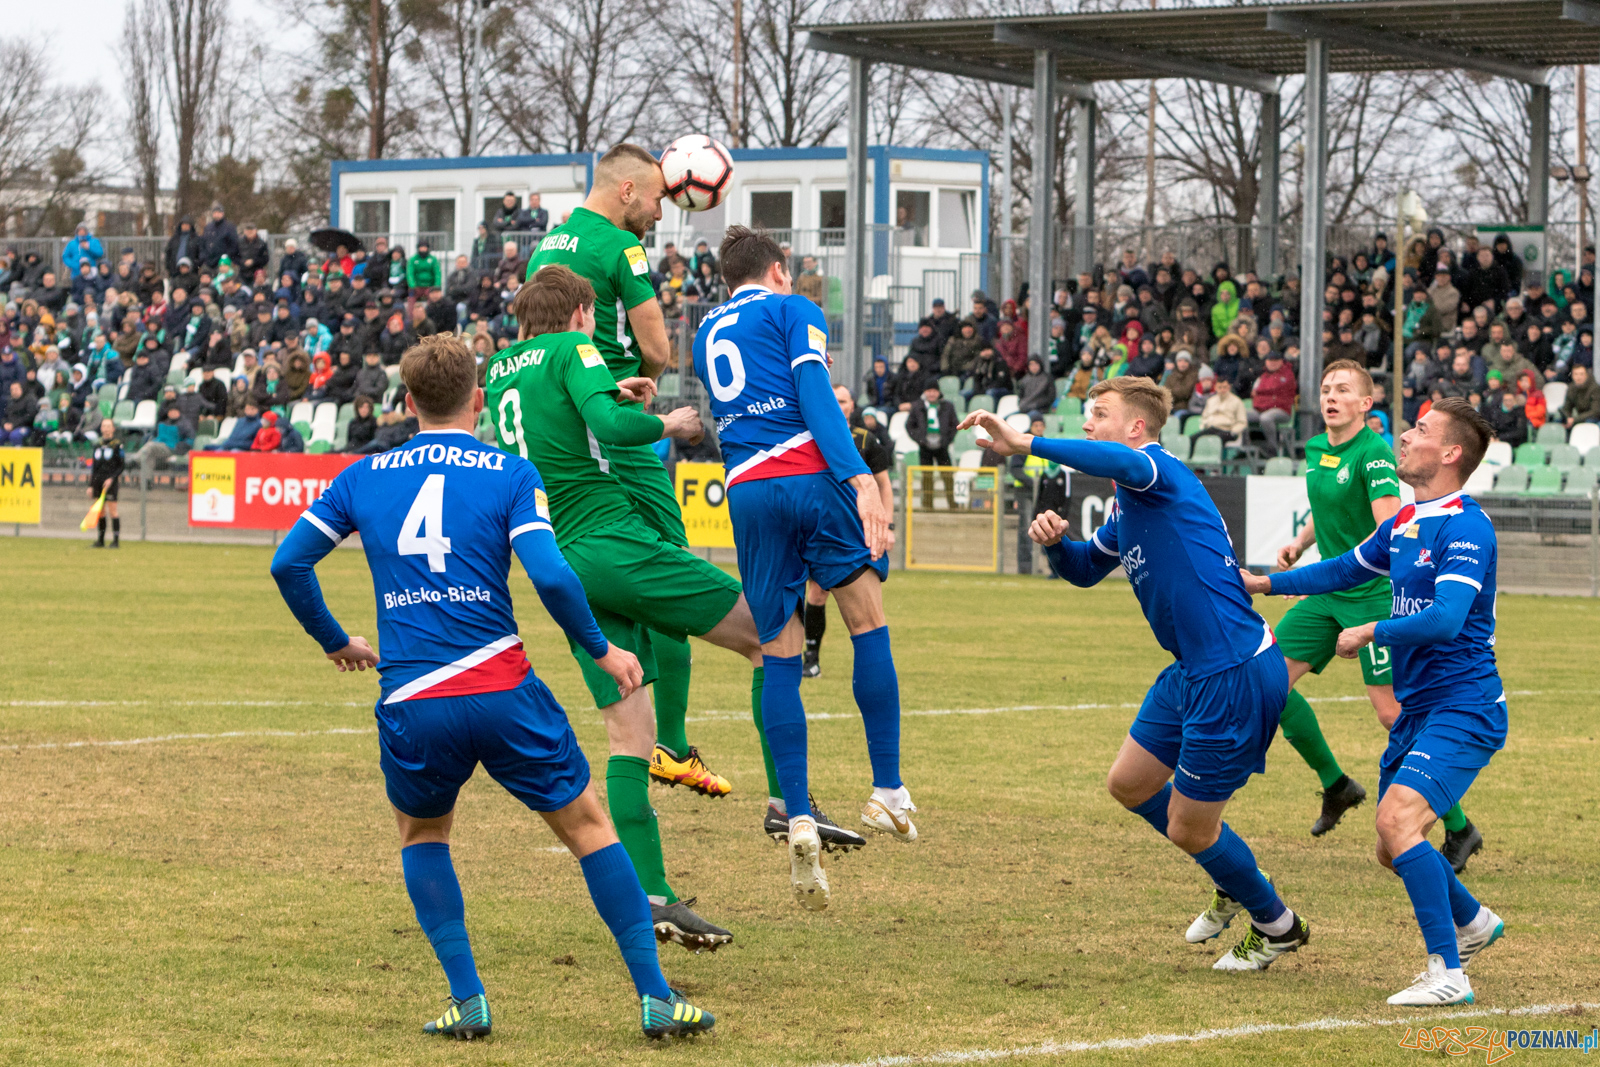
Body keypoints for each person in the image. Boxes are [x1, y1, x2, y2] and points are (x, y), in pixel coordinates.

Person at [269, 335, 714, 1040]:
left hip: (415, 698)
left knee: (423, 832)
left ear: (408, 401)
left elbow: (289, 563)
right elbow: (554, 574)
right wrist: (602, 651)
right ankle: (656, 997)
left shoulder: (363, 475)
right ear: (477, 399)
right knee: (590, 828)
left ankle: (467, 996)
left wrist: (335, 640)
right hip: (504, 688)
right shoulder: (509, 472)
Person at [963, 378, 1309, 971]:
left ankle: (1277, 925)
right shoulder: (1128, 503)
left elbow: (1116, 460)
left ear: (1137, 429)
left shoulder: (1156, 468)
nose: (1088, 423)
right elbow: (1083, 571)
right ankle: (1231, 875)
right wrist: (1056, 544)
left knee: (1190, 829)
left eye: (1099, 414)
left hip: (1232, 671)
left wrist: (1028, 443)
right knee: (1129, 783)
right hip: (1192, 671)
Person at [488, 264, 750, 951]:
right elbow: (606, 420)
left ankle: (656, 896)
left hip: (559, 560)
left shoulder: (499, 371)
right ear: (581, 311)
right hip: (610, 539)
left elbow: (569, 424)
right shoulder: (577, 349)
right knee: (770, 634)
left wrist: (616, 397)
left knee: (627, 736)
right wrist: (668, 420)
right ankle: (794, 808)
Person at [1242, 397, 1506, 1005]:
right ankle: (1472, 922)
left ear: (1450, 453)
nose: (1405, 436)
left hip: (1464, 706)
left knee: (1396, 821)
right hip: (1419, 710)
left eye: (1420, 430)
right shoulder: (1406, 520)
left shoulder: (1466, 524)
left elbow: (1445, 619)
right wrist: (1268, 582)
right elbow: (1342, 569)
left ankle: (1449, 975)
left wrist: (1370, 631)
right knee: (1392, 847)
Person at [692, 228, 911, 910]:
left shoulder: (706, 331)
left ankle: (797, 808)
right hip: (808, 475)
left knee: (779, 650)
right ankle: (888, 789)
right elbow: (814, 395)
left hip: (748, 490)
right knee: (866, 618)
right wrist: (860, 478)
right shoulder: (794, 310)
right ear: (779, 270)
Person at [521, 144, 724, 809]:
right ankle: (670, 743)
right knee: (667, 563)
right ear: (629, 190)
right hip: (613, 420)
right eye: (661, 199)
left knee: (611, 569)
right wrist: (648, 392)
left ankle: (645, 726)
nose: (663, 211)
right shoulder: (620, 246)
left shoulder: (546, 244)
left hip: (557, 425)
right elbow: (659, 344)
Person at [1268, 362, 1489, 855]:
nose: (1330, 396)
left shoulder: (1375, 456)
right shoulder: (1316, 448)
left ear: (1366, 403)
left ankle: (1458, 825)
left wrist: (1361, 608)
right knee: (1264, 680)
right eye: (1325, 389)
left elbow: (1389, 534)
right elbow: (1325, 508)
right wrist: (1302, 543)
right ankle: (1336, 784)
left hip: (1369, 594)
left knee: (1393, 714)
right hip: (1328, 593)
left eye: (1342, 389)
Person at [802, 383, 895, 681]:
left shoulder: (866, 440)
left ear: (852, 405)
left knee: (867, 601)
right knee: (816, 593)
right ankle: (812, 656)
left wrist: (887, 524)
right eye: (833, 399)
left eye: (843, 401)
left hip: (861, 528)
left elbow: (883, 484)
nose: (838, 405)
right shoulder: (812, 435)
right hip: (825, 527)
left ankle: (870, 662)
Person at [907, 382, 958, 511]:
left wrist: (946, 440)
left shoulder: (948, 406)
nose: (931, 394)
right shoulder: (917, 407)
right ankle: (927, 505)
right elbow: (909, 426)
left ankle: (952, 504)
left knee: (947, 476)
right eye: (928, 391)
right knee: (927, 476)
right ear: (925, 392)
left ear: (939, 392)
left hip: (942, 447)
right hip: (925, 447)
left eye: (934, 391)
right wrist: (920, 439)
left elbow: (954, 424)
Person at [1250, 351, 1298, 456]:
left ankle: (1272, 449)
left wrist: (1261, 393)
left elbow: (1275, 389)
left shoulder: (1287, 374)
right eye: (1270, 361)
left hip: (1282, 411)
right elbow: (1255, 393)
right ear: (1266, 362)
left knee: (1266, 418)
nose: (1272, 363)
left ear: (1281, 361)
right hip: (1261, 408)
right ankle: (1246, 448)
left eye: (1275, 360)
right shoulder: (1263, 376)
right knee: (1242, 414)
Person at [89, 419, 124, 547]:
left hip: (111, 482)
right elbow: (94, 467)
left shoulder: (117, 445)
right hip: (98, 481)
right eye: (104, 426)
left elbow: (121, 466)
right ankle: (101, 540)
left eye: (109, 426)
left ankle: (115, 540)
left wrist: (111, 479)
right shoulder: (97, 444)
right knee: (100, 511)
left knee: (113, 511)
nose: (106, 428)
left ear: (113, 429)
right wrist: (91, 485)